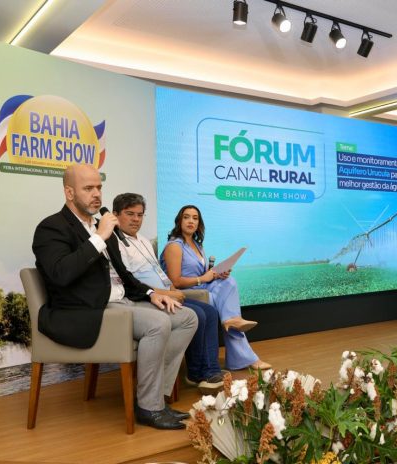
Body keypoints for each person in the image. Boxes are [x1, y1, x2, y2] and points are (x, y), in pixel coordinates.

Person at [32, 164, 197, 430]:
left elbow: (125, 275)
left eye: (99, 187)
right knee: (159, 324)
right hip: (87, 310)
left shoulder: (101, 226)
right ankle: (149, 407)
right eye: (88, 188)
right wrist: (98, 238)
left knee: (186, 317)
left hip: (122, 302)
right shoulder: (52, 228)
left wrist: (152, 293)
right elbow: (60, 274)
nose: (97, 194)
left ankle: (154, 395)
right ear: (69, 193)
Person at [112, 193, 224, 394]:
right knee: (197, 315)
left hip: (166, 293)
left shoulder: (144, 241)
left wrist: (172, 290)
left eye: (140, 214)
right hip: (146, 299)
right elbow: (130, 283)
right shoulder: (115, 243)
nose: (136, 219)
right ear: (115, 215)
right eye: (130, 214)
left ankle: (205, 371)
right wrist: (167, 293)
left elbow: (160, 273)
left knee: (210, 312)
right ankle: (201, 373)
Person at [161, 205, 271, 371]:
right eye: (187, 217)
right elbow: (174, 281)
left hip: (201, 287)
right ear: (179, 221)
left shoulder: (197, 246)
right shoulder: (174, 246)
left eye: (195, 218)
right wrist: (202, 278)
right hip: (183, 293)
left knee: (229, 282)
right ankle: (242, 355)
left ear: (199, 223)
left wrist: (216, 275)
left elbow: (203, 275)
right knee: (212, 299)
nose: (191, 221)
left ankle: (231, 320)